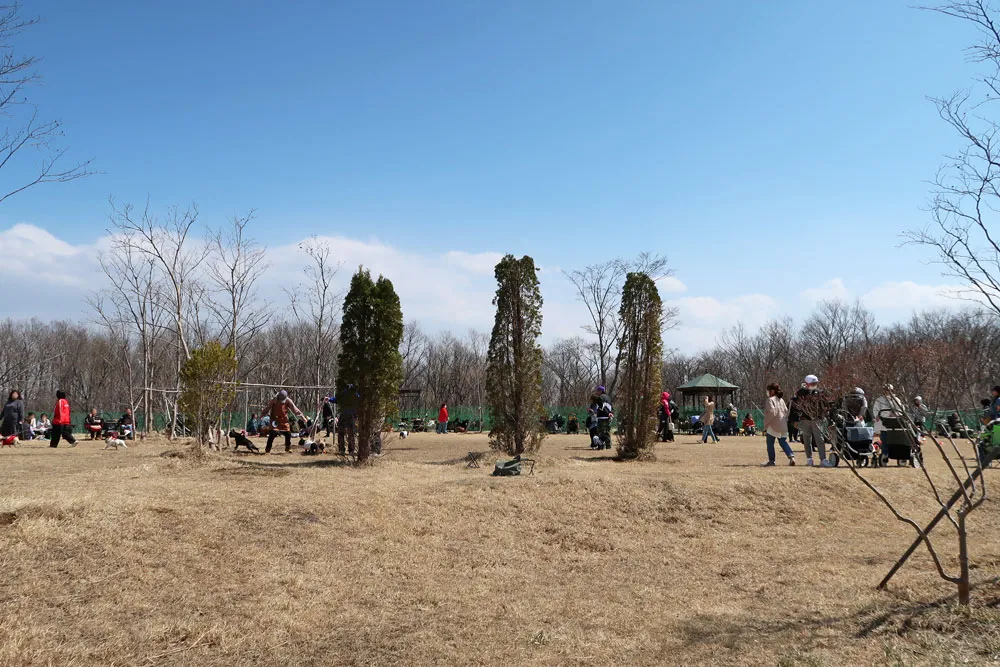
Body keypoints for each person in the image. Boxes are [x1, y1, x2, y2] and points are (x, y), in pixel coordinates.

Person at [796, 375, 832, 467]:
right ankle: (809, 459)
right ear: (807, 383)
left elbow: (824, 403)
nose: (814, 385)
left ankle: (823, 459)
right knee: (807, 439)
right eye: (812, 383)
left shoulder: (819, 393)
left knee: (820, 439)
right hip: (805, 419)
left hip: (817, 419)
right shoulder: (801, 393)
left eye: (815, 383)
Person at [262, 390, 306, 454]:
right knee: (272, 434)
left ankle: (287, 448)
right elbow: (268, 408)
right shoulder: (274, 400)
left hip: (284, 420)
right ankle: (267, 450)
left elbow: (295, 410)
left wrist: (303, 417)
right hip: (275, 420)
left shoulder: (288, 401)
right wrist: (262, 414)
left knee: (288, 434)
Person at [762, 383, 795, 467]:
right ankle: (791, 457)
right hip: (783, 424)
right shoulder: (781, 400)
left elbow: (772, 412)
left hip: (773, 425)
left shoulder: (770, 400)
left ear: (772, 391)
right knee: (783, 442)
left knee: (770, 443)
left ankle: (771, 461)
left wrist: (765, 423)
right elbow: (786, 412)